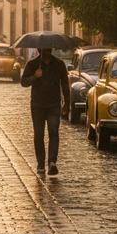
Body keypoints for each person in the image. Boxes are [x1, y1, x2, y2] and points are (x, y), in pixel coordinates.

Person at [21, 48, 70, 176]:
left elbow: (65, 84)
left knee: (53, 132)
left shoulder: (59, 64)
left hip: (54, 105)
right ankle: (41, 164)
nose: (47, 51)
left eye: (49, 48)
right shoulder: (32, 64)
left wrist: (67, 104)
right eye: (44, 49)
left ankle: (52, 162)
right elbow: (23, 82)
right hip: (37, 105)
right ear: (39, 49)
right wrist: (34, 77)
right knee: (39, 134)